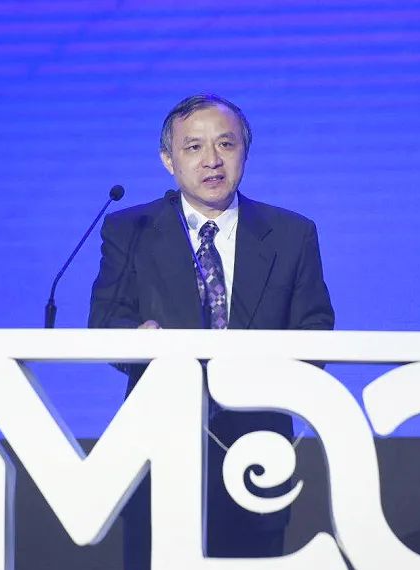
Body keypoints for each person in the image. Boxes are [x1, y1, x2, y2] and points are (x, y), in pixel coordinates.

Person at [88, 94, 335, 568]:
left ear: (245, 151)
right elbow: (104, 322)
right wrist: (138, 338)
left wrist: (271, 377)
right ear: (169, 159)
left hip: (257, 446)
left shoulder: (291, 233)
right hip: (156, 443)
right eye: (194, 147)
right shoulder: (130, 229)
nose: (212, 160)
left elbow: (315, 328)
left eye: (226, 144)